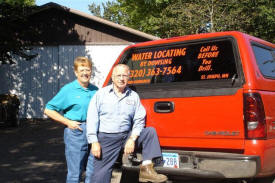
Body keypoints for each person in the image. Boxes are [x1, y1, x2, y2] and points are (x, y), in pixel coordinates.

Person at [86, 64, 168, 183]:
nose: (121, 78)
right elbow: (92, 118)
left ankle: (146, 169)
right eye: (118, 75)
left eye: (124, 75)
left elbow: (139, 118)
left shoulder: (133, 96)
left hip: (126, 135)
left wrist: (132, 139)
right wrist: (94, 142)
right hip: (107, 138)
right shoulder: (101, 95)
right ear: (113, 77)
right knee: (101, 173)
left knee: (149, 132)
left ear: (128, 77)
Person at [44, 57, 98, 183]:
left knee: (92, 171)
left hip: (94, 132)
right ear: (76, 72)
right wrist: (67, 122)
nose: (85, 73)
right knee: (75, 173)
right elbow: (48, 109)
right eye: (82, 70)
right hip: (76, 132)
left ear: (91, 72)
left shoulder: (95, 90)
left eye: (88, 70)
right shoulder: (68, 90)